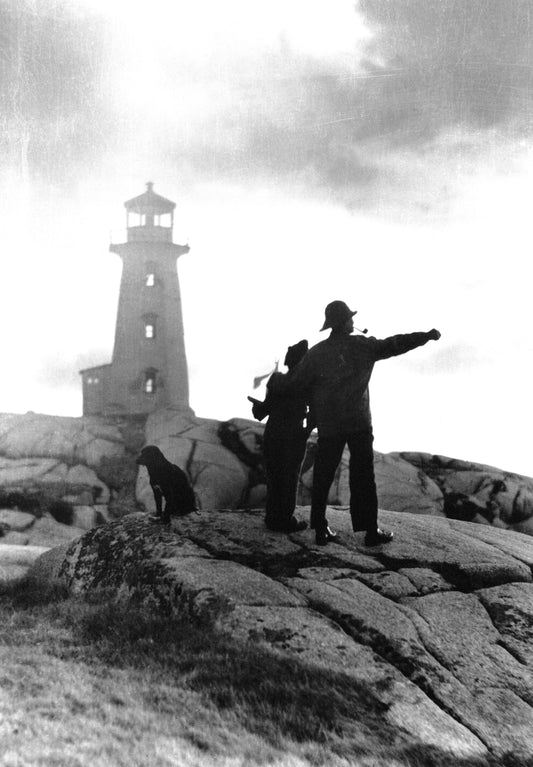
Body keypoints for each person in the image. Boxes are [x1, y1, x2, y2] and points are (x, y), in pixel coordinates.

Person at [273, 301, 441, 546]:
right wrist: (425, 336)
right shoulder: (363, 346)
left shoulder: (317, 353)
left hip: (330, 426)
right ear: (344, 323)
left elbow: (295, 383)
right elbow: (396, 344)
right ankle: (370, 531)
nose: (353, 321)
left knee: (323, 476)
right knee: (363, 476)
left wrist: (275, 381)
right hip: (359, 424)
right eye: (350, 318)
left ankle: (320, 528)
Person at [249, 340, 312, 533]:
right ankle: (285, 519)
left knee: (275, 477)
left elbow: (261, 413)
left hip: (273, 433)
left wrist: (255, 405)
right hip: (293, 435)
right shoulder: (305, 382)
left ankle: (272, 517)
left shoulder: (276, 380)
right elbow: (315, 410)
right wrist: (307, 430)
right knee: (289, 478)